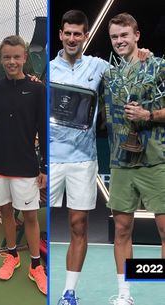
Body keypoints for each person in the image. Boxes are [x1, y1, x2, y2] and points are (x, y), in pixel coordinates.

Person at [104, 13, 165, 305]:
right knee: (121, 229)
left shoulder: (158, 65)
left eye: (124, 35)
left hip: (156, 159)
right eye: (114, 37)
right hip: (120, 162)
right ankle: (125, 295)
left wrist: (148, 115)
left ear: (137, 35)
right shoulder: (109, 74)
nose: (119, 41)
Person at [50, 10, 109, 305]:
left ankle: (68, 293)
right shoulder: (48, 70)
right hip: (51, 160)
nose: (72, 38)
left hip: (84, 160)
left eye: (78, 33)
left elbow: (130, 73)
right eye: (68, 33)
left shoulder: (99, 67)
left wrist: (143, 52)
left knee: (78, 225)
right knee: (38, 220)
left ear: (86, 36)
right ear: (60, 34)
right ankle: (39, 273)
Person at [0, 35, 47, 295]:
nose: (12, 61)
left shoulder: (37, 89)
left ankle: (35, 266)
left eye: (16, 57)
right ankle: (12, 256)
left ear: (24, 58)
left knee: (30, 216)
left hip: (26, 165)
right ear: (1, 59)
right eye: (7, 57)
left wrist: (43, 167)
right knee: (7, 214)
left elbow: (42, 127)